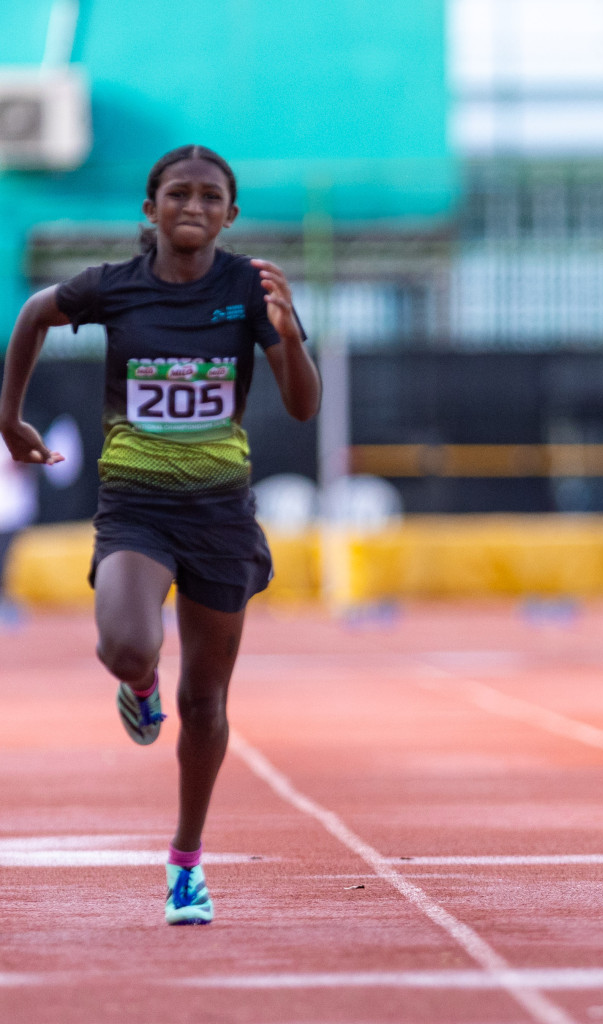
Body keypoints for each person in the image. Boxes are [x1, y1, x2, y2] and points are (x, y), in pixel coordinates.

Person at [0, 145, 321, 922]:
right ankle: (138, 687)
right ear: (151, 209)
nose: (194, 206)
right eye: (178, 194)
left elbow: (304, 406)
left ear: (229, 214)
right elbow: (35, 312)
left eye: (211, 197)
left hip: (220, 516)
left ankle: (186, 864)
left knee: (206, 700)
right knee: (126, 646)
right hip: (136, 507)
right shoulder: (115, 287)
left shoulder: (251, 288)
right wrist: (9, 418)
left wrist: (289, 334)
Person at [0, 456, 37, 622]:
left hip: (13, 510)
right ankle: (5, 601)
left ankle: (7, 599)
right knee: (4, 559)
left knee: (11, 559)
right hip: (6, 509)